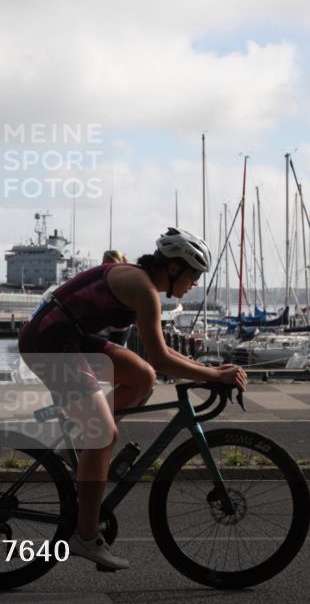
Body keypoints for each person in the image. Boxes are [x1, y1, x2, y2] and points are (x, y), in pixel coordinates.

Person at [18, 227, 247, 570]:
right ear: (174, 268)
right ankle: (85, 536)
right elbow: (162, 357)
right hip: (49, 343)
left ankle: (80, 444)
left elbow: (159, 355)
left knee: (143, 377)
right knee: (103, 433)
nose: (195, 283)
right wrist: (215, 376)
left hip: (68, 338)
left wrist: (209, 369)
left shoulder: (141, 283)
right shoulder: (143, 288)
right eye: (194, 275)